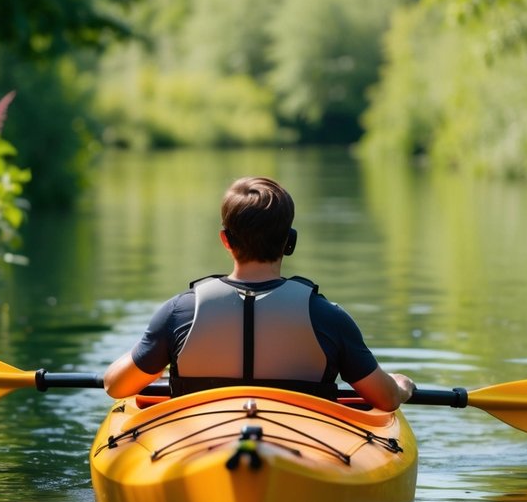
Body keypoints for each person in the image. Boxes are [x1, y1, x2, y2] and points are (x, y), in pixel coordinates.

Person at [103, 176, 415, 412]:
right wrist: (402, 386)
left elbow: (115, 386)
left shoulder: (180, 313)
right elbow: (386, 400)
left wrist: (158, 359)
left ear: (226, 241)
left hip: (198, 438)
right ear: (289, 242)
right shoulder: (327, 317)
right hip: (305, 442)